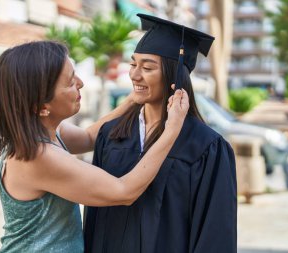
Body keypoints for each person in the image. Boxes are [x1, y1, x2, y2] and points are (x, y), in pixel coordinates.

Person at [0, 40, 189, 253]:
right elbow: (124, 191)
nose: (80, 83)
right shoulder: (37, 156)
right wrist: (172, 130)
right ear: (40, 105)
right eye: (69, 82)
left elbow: (88, 137)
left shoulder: (45, 133)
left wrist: (132, 100)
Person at [84, 14, 237, 253]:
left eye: (147, 67)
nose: (134, 75)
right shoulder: (112, 135)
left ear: (175, 75)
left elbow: (215, 233)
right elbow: (93, 221)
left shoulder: (206, 147)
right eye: (133, 64)